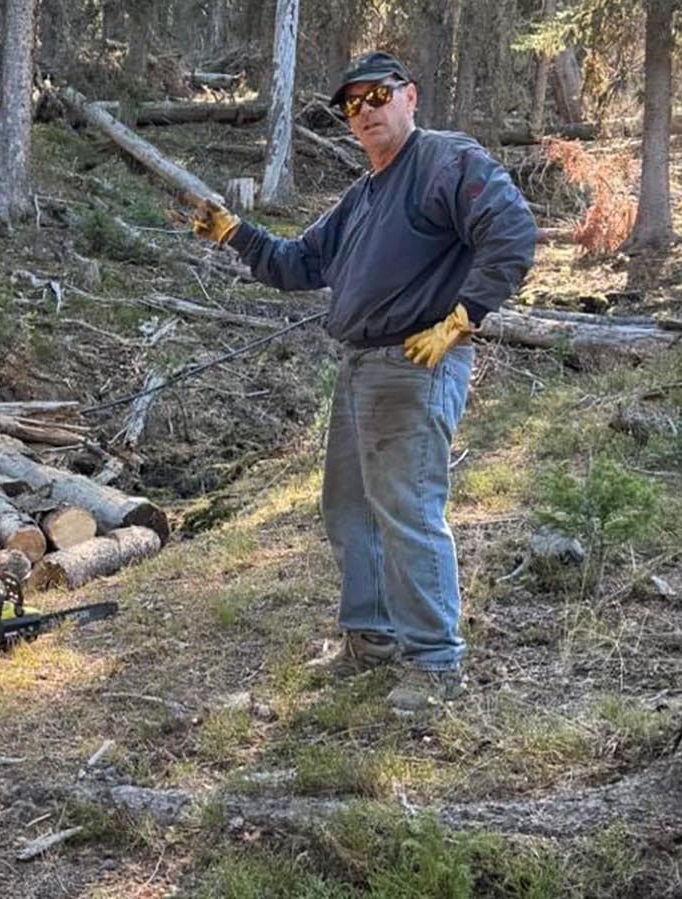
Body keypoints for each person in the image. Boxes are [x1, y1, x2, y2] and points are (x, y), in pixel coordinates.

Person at [187, 52, 537, 711]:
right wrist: (235, 233)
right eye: (352, 103)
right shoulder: (363, 195)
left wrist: (462, 321)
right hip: (358, 367)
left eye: (378, 94)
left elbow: (512, 231)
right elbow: (297, 263)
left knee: (407, 510)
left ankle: (434, 665)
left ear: (411, 97)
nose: (366, 109)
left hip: (415, 364)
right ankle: (370, 642)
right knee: (349, 510)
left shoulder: (443, 159)